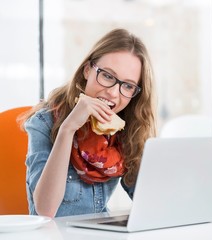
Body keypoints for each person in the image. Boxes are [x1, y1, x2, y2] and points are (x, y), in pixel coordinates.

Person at [19, 28, 156, 218]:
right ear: (87, 70)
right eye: (107, 76)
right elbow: (45, 210)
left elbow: (150, 201)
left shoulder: (124, 128)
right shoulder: (44, 121)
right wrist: (67, 129)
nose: (114, 93)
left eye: (128, 86)